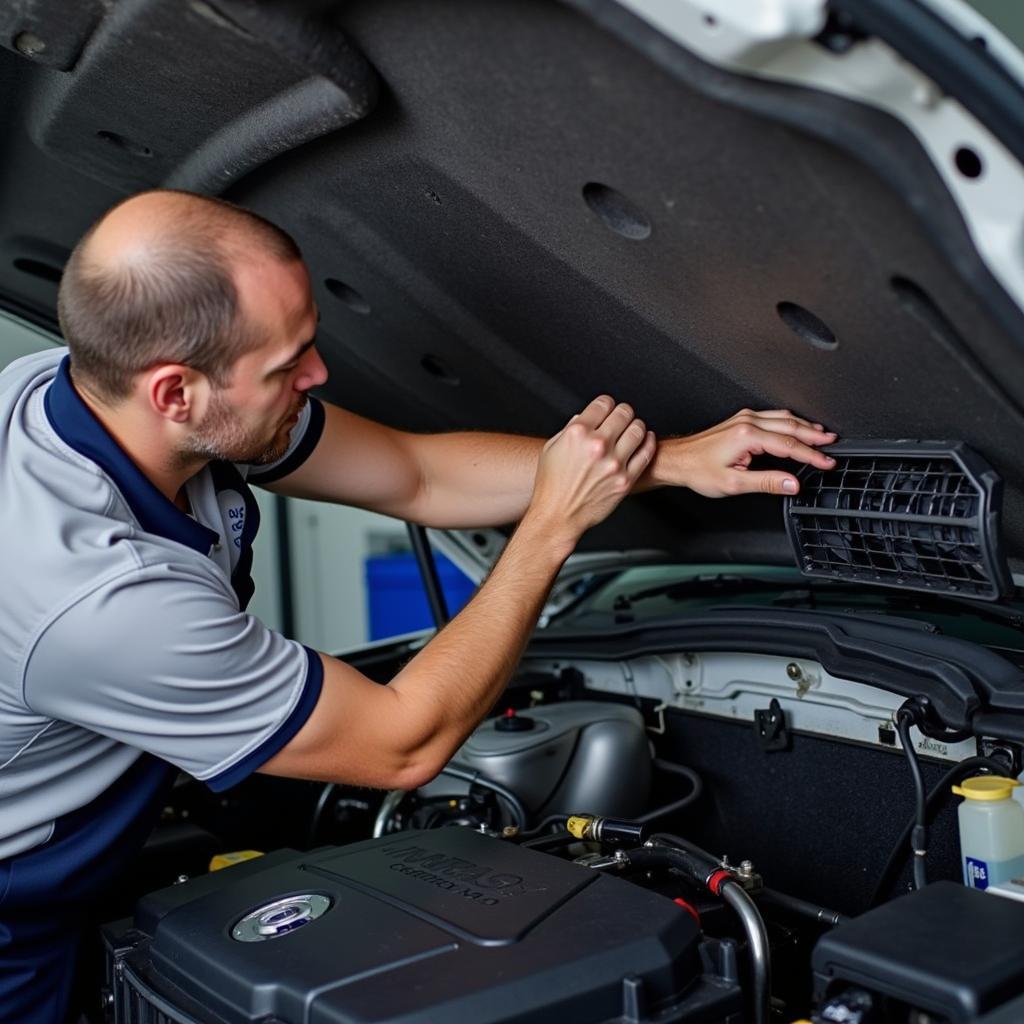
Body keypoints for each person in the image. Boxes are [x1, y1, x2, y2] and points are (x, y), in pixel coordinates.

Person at [0, 189, 837, 1022]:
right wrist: (553, 527)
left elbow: (414, 472)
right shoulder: (97, 599)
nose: (319, 374)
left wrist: (672, 461)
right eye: (287, 366)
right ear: (174, 393)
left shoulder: (80, 386)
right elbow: (400, 749)